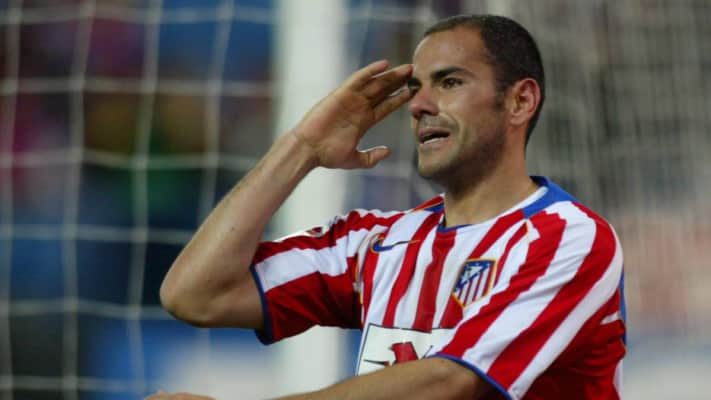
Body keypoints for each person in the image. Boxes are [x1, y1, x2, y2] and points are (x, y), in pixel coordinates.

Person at [152, 14, 625, 400]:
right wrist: (301, 148)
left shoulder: (569, 238)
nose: (419, 105)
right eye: (415, 88)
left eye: (449, 82)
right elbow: (194, 295)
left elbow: (449, 382)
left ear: (520, 100)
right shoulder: (374, 244)